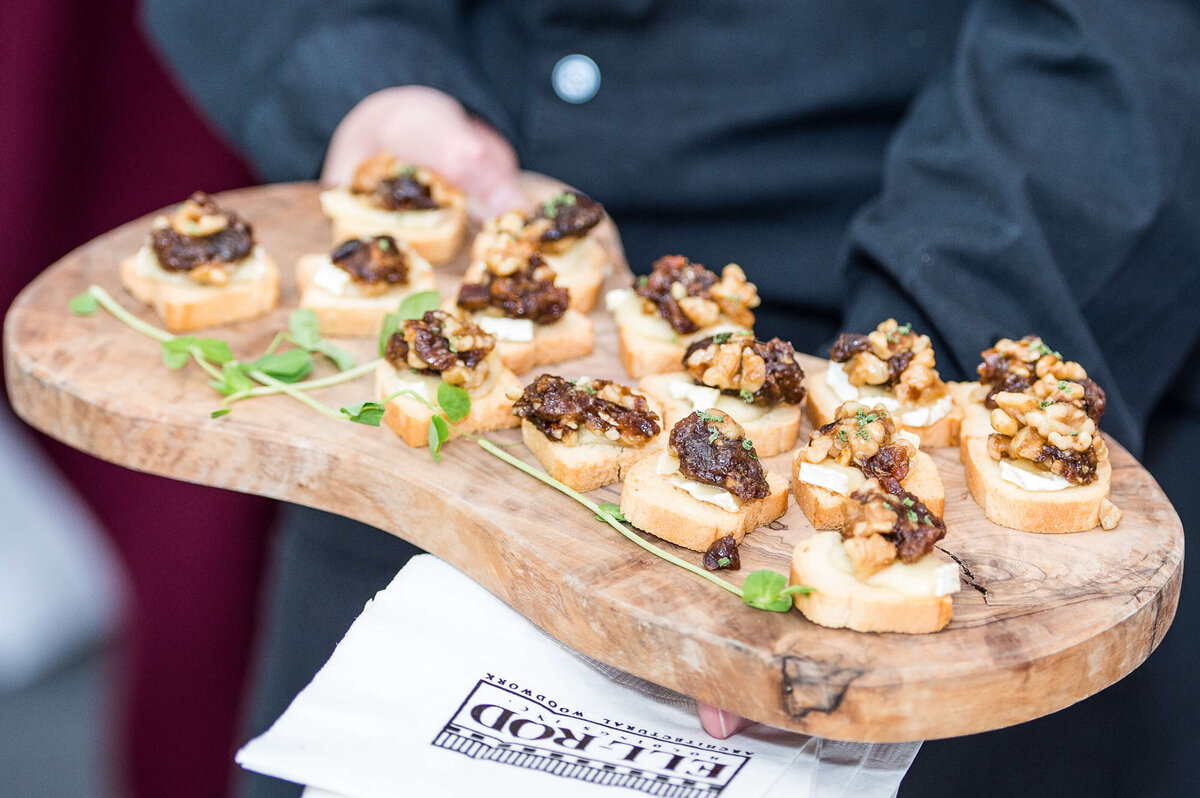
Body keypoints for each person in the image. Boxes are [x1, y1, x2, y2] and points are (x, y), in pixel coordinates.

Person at [141, 2, 1200, 796]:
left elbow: (1123, 45)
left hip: (956, 301)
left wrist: (917, 385)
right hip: (444, 441)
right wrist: (357, 74)